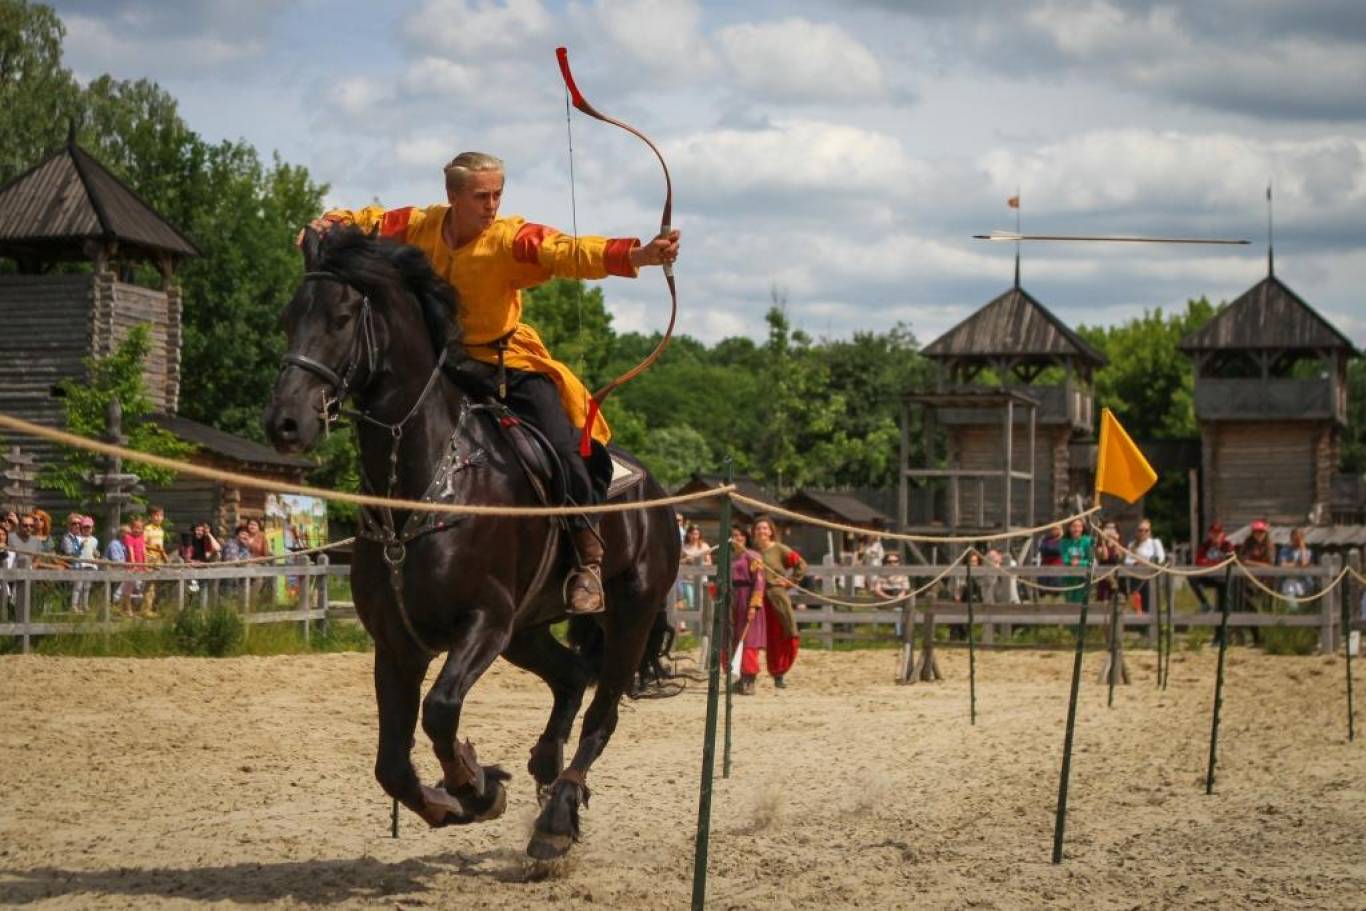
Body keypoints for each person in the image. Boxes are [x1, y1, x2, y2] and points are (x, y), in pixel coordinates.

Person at [304, 151, 680, 615]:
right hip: (442, 366)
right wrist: (327, 222)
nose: (491, 205)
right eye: (481, 196)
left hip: (509, 365)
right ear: (453, 196)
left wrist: (638, 254)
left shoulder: (508, 239)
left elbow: (566, 250)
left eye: (497, 194)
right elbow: (365, 221)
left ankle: (588, 557)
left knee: (566, 451)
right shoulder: (420, 226)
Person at [751, 516, 807, 689]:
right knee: (752, 637)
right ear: (754, 532)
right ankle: (748, 675)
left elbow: (800, 564)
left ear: (771, 531)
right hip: (756, 598)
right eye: (759, 528)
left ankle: (778, 673)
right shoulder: (751, 552)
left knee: (781, 635)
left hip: (775, 597)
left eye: (765, 528)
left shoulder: (779, 549)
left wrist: (791, 582)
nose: (762, 531)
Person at [726, 525, 768, 696]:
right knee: (734, 640)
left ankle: (749, 681)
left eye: (740, 535)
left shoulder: (753, 556)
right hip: (732, 600)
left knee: (748, 641)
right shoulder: (729, 558)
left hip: (747, 599)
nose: (737, 538)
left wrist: (754, 605)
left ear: (746, 538)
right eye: (734, 535)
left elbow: (759, 581)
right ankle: (738, 679)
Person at [1191, 519, 1233, 611]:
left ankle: (1222, 618)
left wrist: (1209, 563)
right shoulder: (1205, 545)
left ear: (1222, 534)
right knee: (1192, 577)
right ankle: (1205, 603)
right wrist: (1214, 564)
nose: (1215, 535)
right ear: (1210, 534)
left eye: (1218, 533)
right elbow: (1199, 562)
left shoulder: (1227, 545)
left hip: (1223, 577)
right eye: (1213, 533)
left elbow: (1229, 561)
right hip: (1208, 575)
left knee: (1222, 606)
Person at [679, 524, 712, 632]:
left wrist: (699, 562)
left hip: (701, 578)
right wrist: (687, 560)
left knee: (702, 601)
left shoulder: (704, 546)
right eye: (692, 534)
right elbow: (679, 563)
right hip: (688, 579)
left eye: (696, 534)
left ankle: (701, 626)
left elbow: (709, 563)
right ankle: (691, 627)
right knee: (691, 601)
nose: (694, 536)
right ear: (688, 535)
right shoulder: (684, 548)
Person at [1058, 518, 1092, 604]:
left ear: (1082, 528)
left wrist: (1079, 563)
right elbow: (1064, 558)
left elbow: (1091, 560)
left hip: (1083, 577)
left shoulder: (1088, 541)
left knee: (1082, 602)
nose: (1076, 529)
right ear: (1069, 528)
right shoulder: (1064, 542)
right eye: (1074, 526)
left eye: (1079, 526)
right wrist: (1070, 562)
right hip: (1069, 577)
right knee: (1069, 602)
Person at [1275, 527, 1315, 600]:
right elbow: (1283, 564)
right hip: (1288, 580)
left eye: (1299, 538)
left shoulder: (1308, 552)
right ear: (1291, 538)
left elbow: (1304, 563)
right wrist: (1297, 564)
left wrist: (1302, 547)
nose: (1296, 540)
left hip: (1303, 581)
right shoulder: (1284, 550)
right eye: (1294, 537)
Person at [104, 524, 132, 617]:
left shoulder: (125, 545)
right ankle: (115, 607)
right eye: (127, 533)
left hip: (121, 570)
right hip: (112, 570)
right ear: (121, 533)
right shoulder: (114, 544)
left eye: (129, 533)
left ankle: (123, 607)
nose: (129, 535)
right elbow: (116, 560)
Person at [1036, 524, 1064, 598]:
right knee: (1043, 590)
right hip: (1045, 567)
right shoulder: (1045, 539)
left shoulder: (1063, 540)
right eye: (1052, 529)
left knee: (1056, 591)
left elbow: (1058, 550)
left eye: (1056, 529)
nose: (1054, 531)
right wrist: (1050, 549)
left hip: (1057, 568)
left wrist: (1049, 549)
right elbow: (1042, 549)